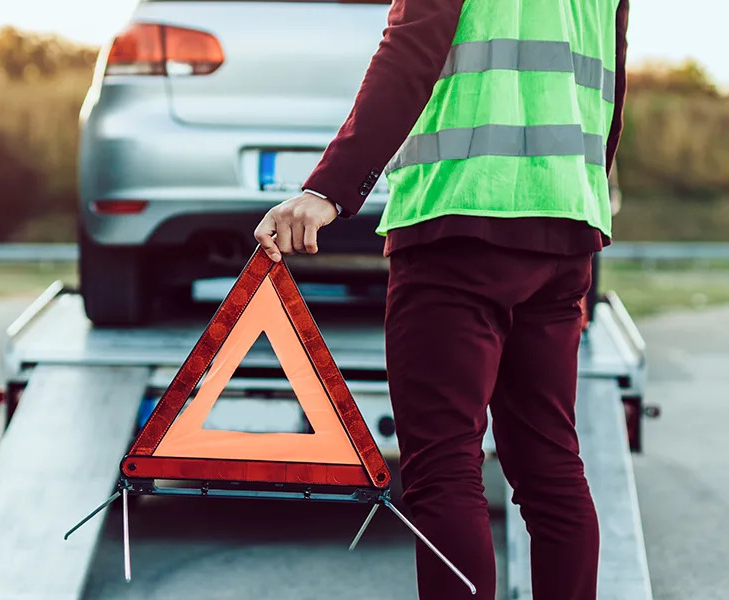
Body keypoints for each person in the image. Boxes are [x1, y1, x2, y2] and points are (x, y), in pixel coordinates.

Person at [254, 0, 629, 596]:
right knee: (551, 470)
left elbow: (409, 52)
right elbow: (612, 73)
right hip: (566, 220)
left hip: (458, 219)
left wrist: (329, 190)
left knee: (445, 469)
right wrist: (583, 194)